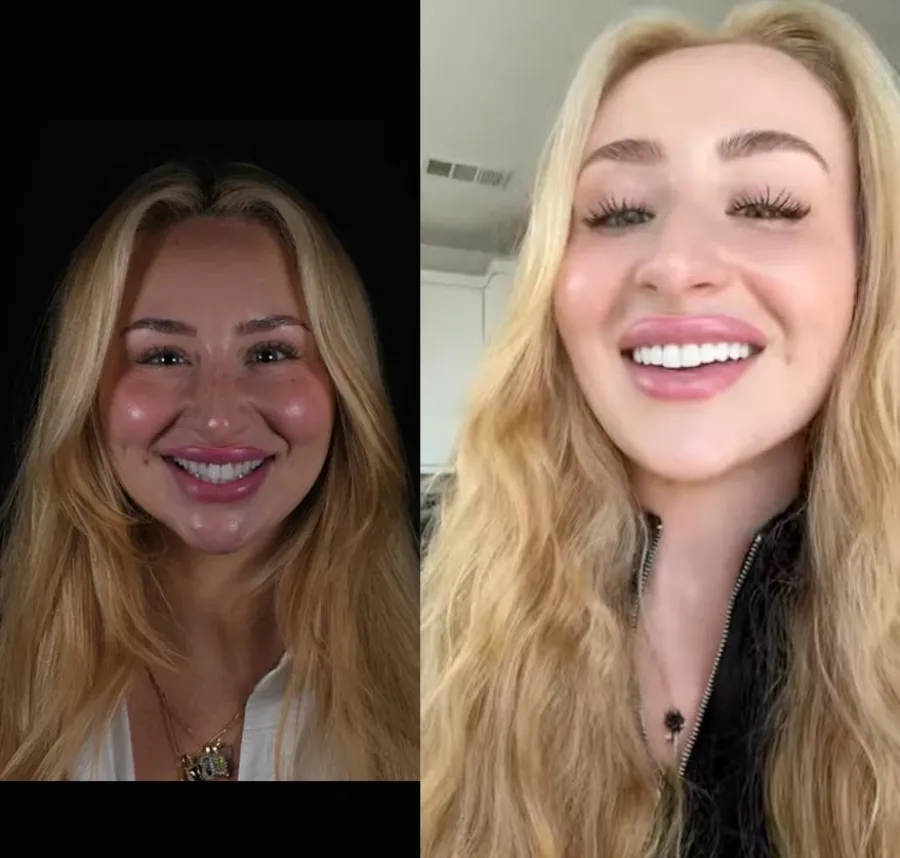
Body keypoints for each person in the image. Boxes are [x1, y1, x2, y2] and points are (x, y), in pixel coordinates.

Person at [421, 1, 900, 855]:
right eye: (617, 212)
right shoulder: (412, 580)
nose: (675, 264)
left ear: (872, 271)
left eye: (766, 203)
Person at [0, 160, 419, 781]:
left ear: (343, 387)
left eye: (271, 352)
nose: (219, 418)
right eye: (164, 355)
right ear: (85, 394)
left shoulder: (438, 687)